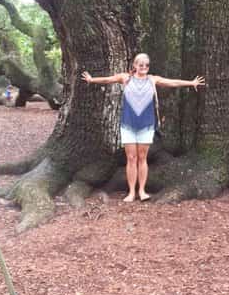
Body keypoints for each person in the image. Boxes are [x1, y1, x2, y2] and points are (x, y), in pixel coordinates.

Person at [81, 53, 205, 202]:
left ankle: (142, 191)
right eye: (141, 65)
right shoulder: (126, 78)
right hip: (128, 125)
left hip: (146, 125)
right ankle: (131, 192)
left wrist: (191, 83)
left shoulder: (152, 80)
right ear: (135, 66)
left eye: (146, 65)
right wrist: (91, 79)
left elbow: (171, 82)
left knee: (142, 158)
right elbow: (108, 79)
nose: (144, 67)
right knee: (131, 158)